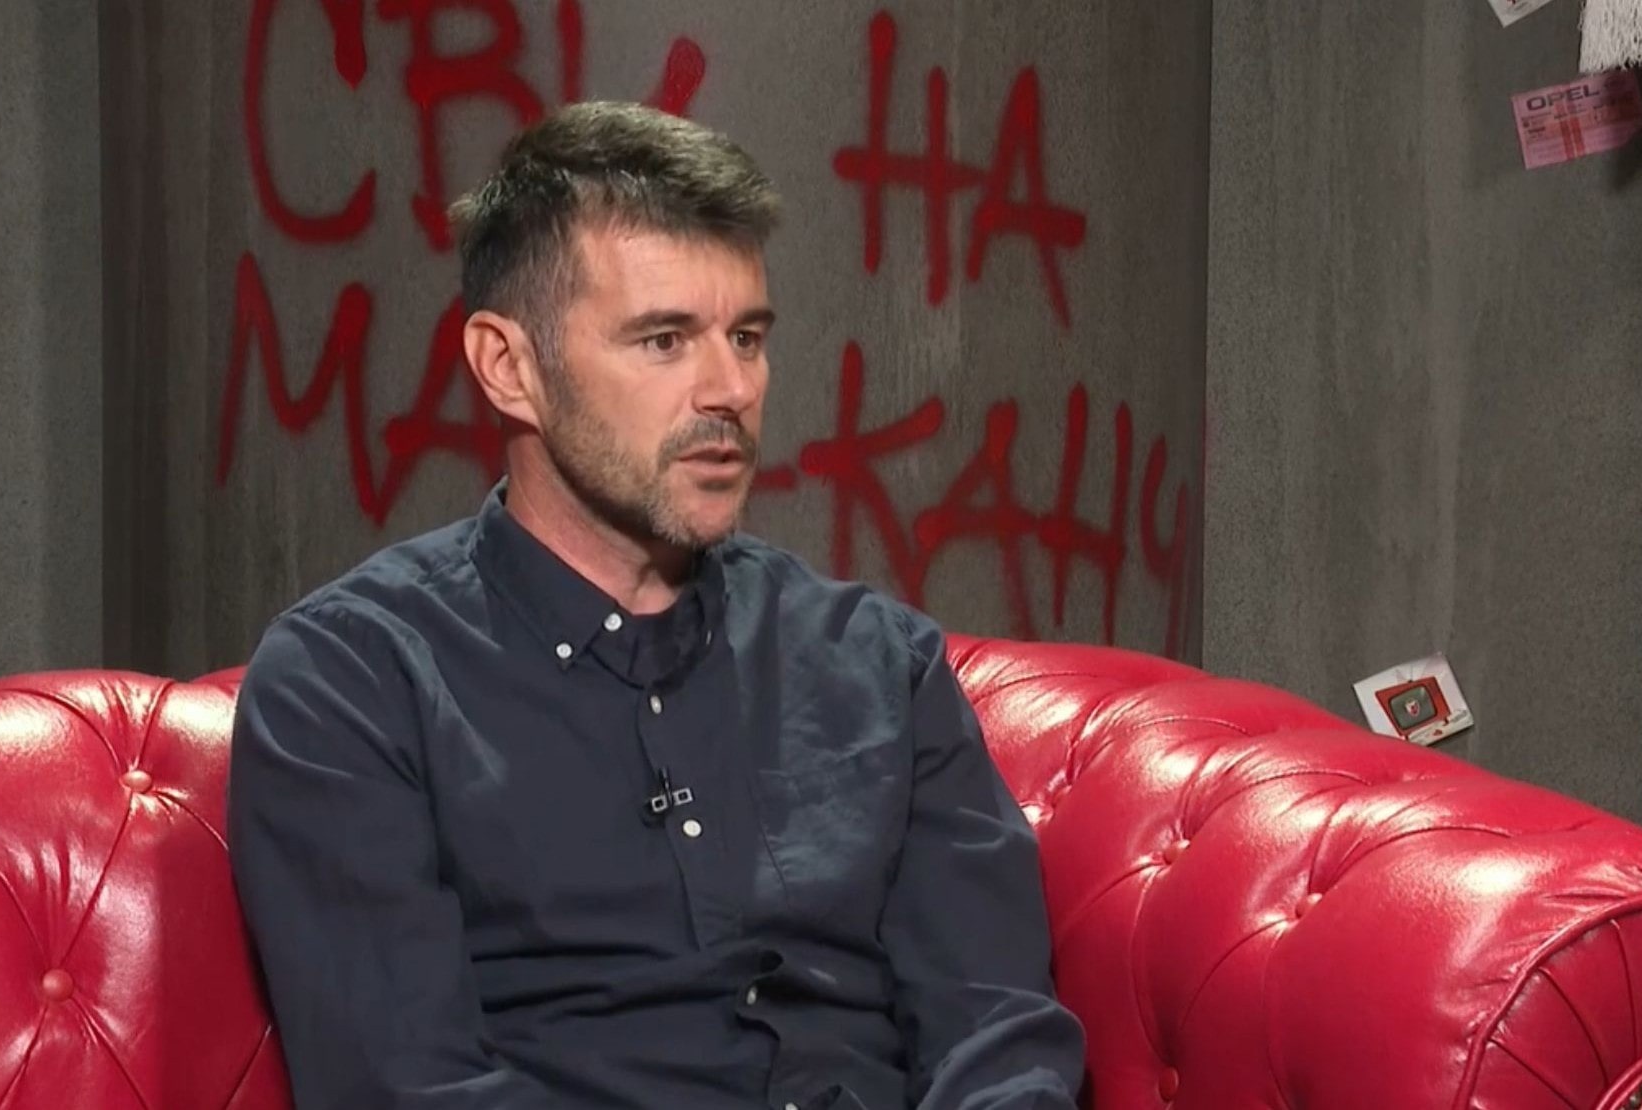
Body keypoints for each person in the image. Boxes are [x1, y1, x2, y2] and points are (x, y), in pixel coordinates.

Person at [226, 101, 1086, 1110]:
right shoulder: (350, 686)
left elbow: (996, 1033)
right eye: (665, 340)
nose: (730, 389)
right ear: (509, 368)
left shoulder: (878, 663)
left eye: (747, 337)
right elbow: (408, 1088)